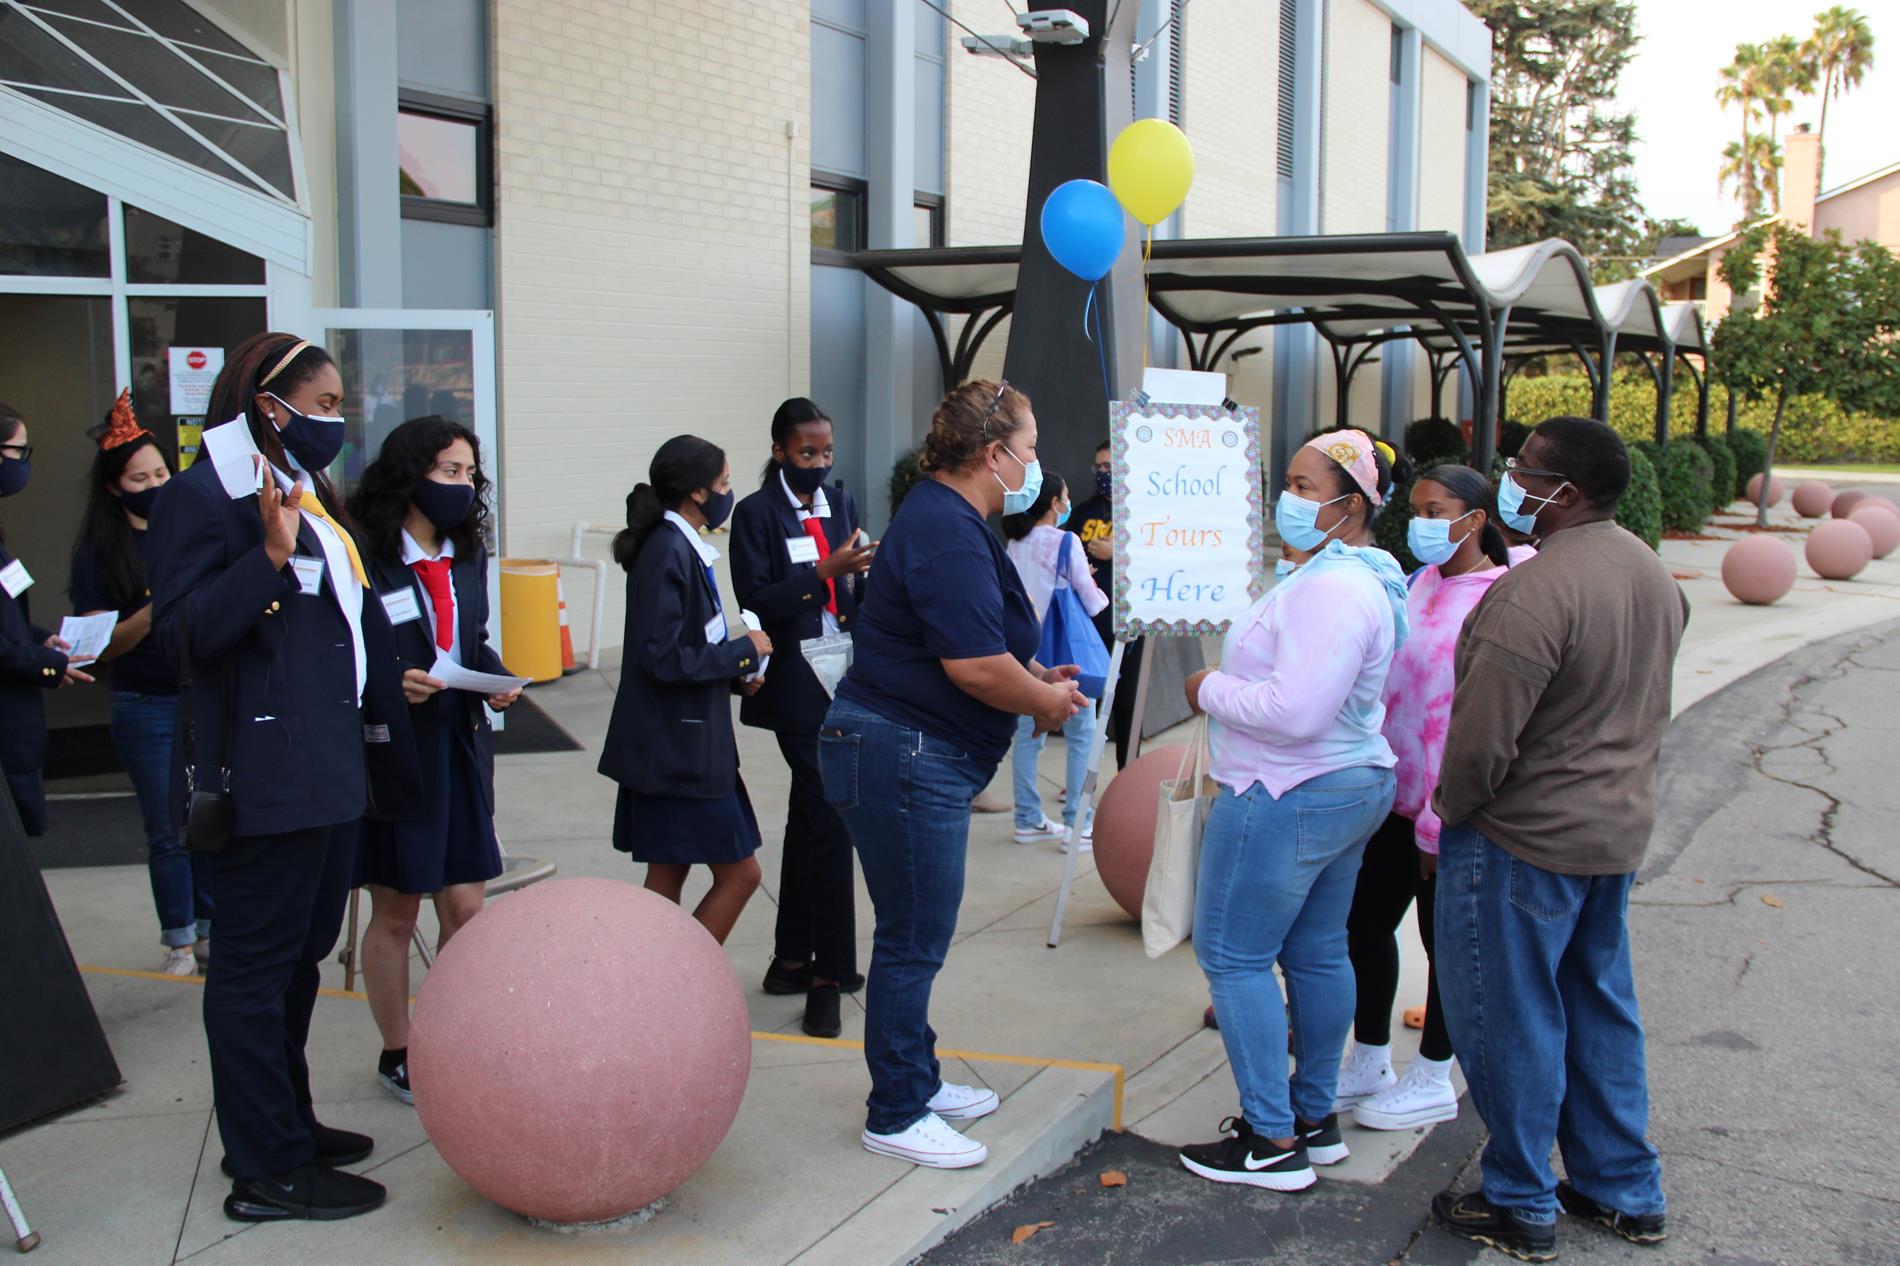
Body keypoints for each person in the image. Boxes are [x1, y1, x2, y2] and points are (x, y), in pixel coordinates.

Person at [148, 332, 419, 1224]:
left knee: (298, 962)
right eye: (328, 404)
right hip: (266, 775)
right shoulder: (204, 499)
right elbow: (183, 634)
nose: (340, 420)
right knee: (254, 973)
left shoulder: (306, 492)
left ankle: (288, 1125)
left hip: (328, 768)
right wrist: (265, 559)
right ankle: (263, 1169)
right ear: (272, 407)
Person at [1428, 418, 1685, 1260]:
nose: (1512, 481)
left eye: (1525, 470)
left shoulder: (1533, 592)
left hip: (1520, 841)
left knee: (1509, 1018)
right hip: (1613, 832)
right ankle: (1622, 1190)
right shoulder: (1649, 570)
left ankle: (1519, 1199)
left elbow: (1480, 746)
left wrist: (1451, 818)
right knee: (1599, 1006)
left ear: (1564, 494)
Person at [820, 379, 1083, 1170]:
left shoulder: (953, 521)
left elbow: (978, 639)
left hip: (909, 751)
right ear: (994, 453)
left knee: (914, 931)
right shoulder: (943, 527)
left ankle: (916, 1076)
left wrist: (1037, 676)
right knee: (912, 939)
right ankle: (897, 1111)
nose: (1037, 466)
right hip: (903, 754)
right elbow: (971, 665)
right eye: (1030, 450)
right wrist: (1042, 699)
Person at [1175, 429, 1410, 1193]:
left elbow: (1295, 710)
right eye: (1292, 481)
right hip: (1337, 786)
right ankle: (1313, 1119)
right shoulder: (1339, 576)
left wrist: (1206, 691)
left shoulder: (1336, 589)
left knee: (1234, 957)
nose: (1291, 498)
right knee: (1315, 952)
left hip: (1286, 788)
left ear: (1353, 505)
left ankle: (1272, 1141)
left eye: (1309, 488)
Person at [345, 416, 519, 1105]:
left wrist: (498, 676)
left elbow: (471, 641)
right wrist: (392, 683)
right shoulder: (368, 555)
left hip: (460, 742)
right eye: (449, 471)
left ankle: (449, 1035)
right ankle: (399, 1050)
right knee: (396, 910)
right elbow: (347, 654)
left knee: (468, 907)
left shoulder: (466, 556)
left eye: (470, 474)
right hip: (399, 752)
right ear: (410, 473)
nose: (463, 485)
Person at [1337, 464, 1513, 1132]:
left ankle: (1435, 1073)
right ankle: (1371, 1056)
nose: (1421, 524)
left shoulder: (1500, 597)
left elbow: (1484, 718)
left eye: (1435, 511)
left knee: (1447, 946)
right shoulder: (1416, 582)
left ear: (1475, 519)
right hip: (1393, 795)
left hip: (1455, 809)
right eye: (1415, 509)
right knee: (1364, 924)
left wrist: (1445, 814)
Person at [729, 398, 876, 1038]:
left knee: (811, 817)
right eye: (806, 453)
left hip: (839, 676)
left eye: (826, 452)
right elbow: (756, 598)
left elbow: (852, 592)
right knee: (831, 815)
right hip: (791, 685)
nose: (818, 463)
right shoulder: (755, 515)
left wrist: (859, 579)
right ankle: (829, 976)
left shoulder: (839, 503)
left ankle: (791, 959)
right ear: (780, 450)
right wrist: (822, 573)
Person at [598, 435, 770, 944]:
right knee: (740, 875)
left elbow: (688, 648)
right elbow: (663, 656)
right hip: (678, 751)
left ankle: (655, 990)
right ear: (697, 492)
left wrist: (737, 674)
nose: (727, 492)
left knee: (666, 877)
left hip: (686, 744)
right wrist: (746, 650)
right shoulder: (667, 550)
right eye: (723, 483)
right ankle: (677, 984)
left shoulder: (681, 547)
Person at [70, 390, 208, 975]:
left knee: (212, 818)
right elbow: (100, 646)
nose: (156, 484)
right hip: (145, 702)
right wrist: (153, 610)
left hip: (204, 693)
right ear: (113, 487)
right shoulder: (99, 552)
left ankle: (213, 931)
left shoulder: (190, 530)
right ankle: (179, 938)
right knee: (168, 827)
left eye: (161, 471)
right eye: (140, 477)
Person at [1000, 469, 1107, 849]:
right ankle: (1078, 822)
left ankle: (1026, 818)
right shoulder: (1067, 540)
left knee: (1029, 734)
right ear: (1054, 504)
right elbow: (1091, 601)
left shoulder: (1017, 541)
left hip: (1028, 648)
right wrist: (1095, 587)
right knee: (1082, 733)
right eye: (1065, 496)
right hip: (1066, 650)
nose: (1068, 502)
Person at [1, 401, 93, 836]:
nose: (23, 463)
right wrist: (47, 665)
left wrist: (40, 640)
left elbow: (8, 619)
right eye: (19, 451)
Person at [1069, 438, 1144, 769]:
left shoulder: (1141, 512)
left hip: (1127, 621)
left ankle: (1128, 770)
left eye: (1109, 468)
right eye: (1098, 467)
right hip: (1089, 621)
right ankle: (1084, 772)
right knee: (1088, 701)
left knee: (1127, 700)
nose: (1103, 474)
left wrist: (1120, 551)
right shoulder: (1084, 512)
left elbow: (1158, 556)